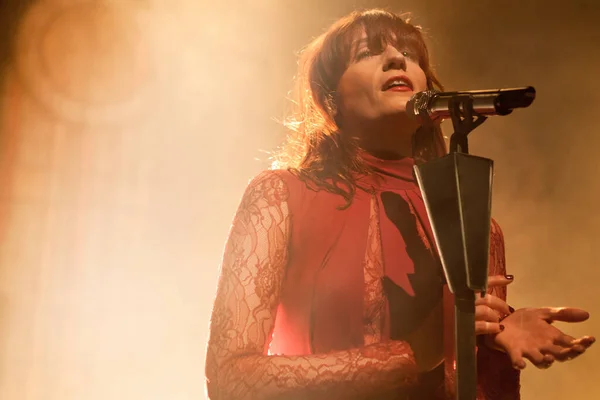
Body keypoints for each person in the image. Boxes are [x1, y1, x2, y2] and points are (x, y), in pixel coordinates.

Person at [205, 8, 595, 400]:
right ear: (330, 99)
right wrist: (417, 350)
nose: (397, 59)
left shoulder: (473, 223)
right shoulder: (280, 196)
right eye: (367, 53)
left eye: (410, 54)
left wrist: (495, 336)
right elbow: (231, 379)